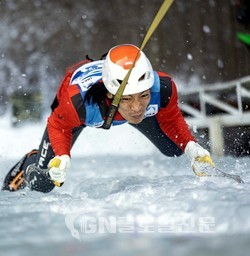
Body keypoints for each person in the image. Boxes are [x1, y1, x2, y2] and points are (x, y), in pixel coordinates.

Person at [2, 44, 215, 193]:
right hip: (70, 117)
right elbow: (58, 125)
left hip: (108, 98)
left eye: (144, 96)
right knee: (45, 182)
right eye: (127, 99)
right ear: (111, 95)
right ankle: (31, 160)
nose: (137, 107)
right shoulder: (78, 103)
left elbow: (170, 119)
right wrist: (63, 156)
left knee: (175, 149)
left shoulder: (164, 88)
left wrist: (191, 147)